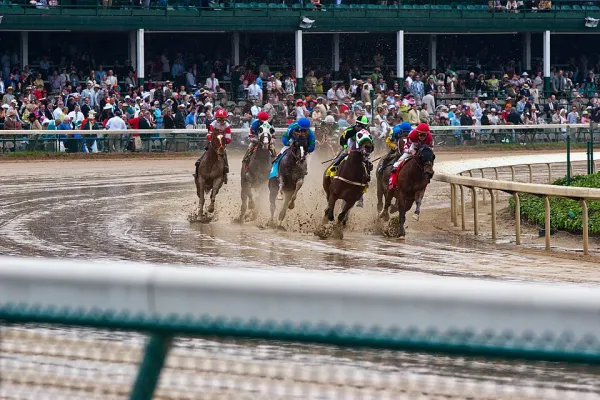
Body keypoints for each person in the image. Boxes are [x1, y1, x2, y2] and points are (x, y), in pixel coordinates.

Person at [272, 117, 315, 199]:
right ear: (298, 126)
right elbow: (285, 137)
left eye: (305, 130)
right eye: (301, 129)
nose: (303, 131)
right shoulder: (292, 127)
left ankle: (303, 171)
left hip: (303, 147)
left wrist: (307, 149)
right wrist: (288, 143)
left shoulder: (310, 133)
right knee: (280, 154)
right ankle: (276, 169)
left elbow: (312, 146)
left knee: (305, 159)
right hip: (291, 144)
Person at [388, 123, 434, 190]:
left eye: (424, 134)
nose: (422, 136)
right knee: (396, 164)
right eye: (420, 134)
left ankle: (427, 176)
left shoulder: (430, 138)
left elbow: (430, 151)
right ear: (417, 132)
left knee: (429, 160)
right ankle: (392, 182)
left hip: (425, 147)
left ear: (427, 134)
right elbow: (405, 148)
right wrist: (411, 151)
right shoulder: (412, 135)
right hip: (413, 146)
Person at [204, 108, 232, 184]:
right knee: (206, 151)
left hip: (221, 143)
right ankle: (199, 163)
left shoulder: (227, 125)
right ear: (217, 119)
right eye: (220, 119)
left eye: (223, 119)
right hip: (213, 142)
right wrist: (211, 137)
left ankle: (225, 170)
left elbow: (228, 137)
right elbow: (209, 135)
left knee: (224, 155)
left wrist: (225, 140)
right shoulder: (213, 124)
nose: (222, 121)